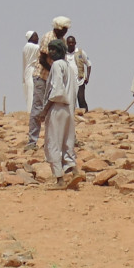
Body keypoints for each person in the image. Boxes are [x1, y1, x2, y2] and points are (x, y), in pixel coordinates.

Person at [42, 38, 80, 189]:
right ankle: (74, 170)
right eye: (49, 49)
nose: (51, 52)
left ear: (60, 51)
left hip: (57, 107)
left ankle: (60, 180)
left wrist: (44, 110)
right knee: (67, 142)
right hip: (69, 109)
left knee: (53, 143)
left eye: (54, 49)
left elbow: (57, 90)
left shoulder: (57, 65)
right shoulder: (69, 67)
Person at [27, 16, 70, 149]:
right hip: (42, 77)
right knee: (38, 108)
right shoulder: (48, 37)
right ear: (60, 28)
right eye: (65, 29)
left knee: (53, 110)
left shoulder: (62, 41)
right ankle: (32, 141)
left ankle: (51, 140)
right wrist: (54, 72)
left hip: (53, 79)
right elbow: (42, 60)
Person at [65, 35, 92, 113]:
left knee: (81, 98)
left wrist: (87, 77)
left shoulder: (80, 52)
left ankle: (86, 114)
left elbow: (89, 64)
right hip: (68, 81)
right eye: (69, 43)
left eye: (72, 42)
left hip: (80, 80)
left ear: (75, 43)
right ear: (66, 43)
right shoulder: (64, 54)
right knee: (69, 100)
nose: (71, 44)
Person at [22, 31, 40, 112]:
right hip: (33, 69)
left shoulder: (25, 47)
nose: (38, 38)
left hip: (27, 70)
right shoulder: (33, 47)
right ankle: (31, 110)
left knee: (30, 89)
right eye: (36, 36)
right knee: (32, 89)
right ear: (31, 37)